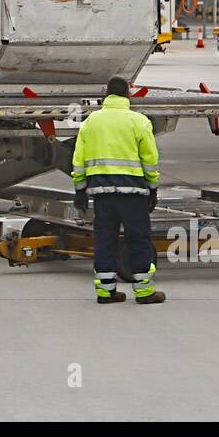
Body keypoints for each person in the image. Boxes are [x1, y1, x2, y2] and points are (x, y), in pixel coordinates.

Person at [71, 75, 165, 306]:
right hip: (133, 193)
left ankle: (106, 292)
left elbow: (78, 159)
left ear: (105, 94)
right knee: (138, 239)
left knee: (104, 239)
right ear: (129, 94)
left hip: (102, 193)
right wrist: (152, 188)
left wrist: (80, 189)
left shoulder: (91, 122)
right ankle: (144, 292)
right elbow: (150, 159)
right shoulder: (139, 121)